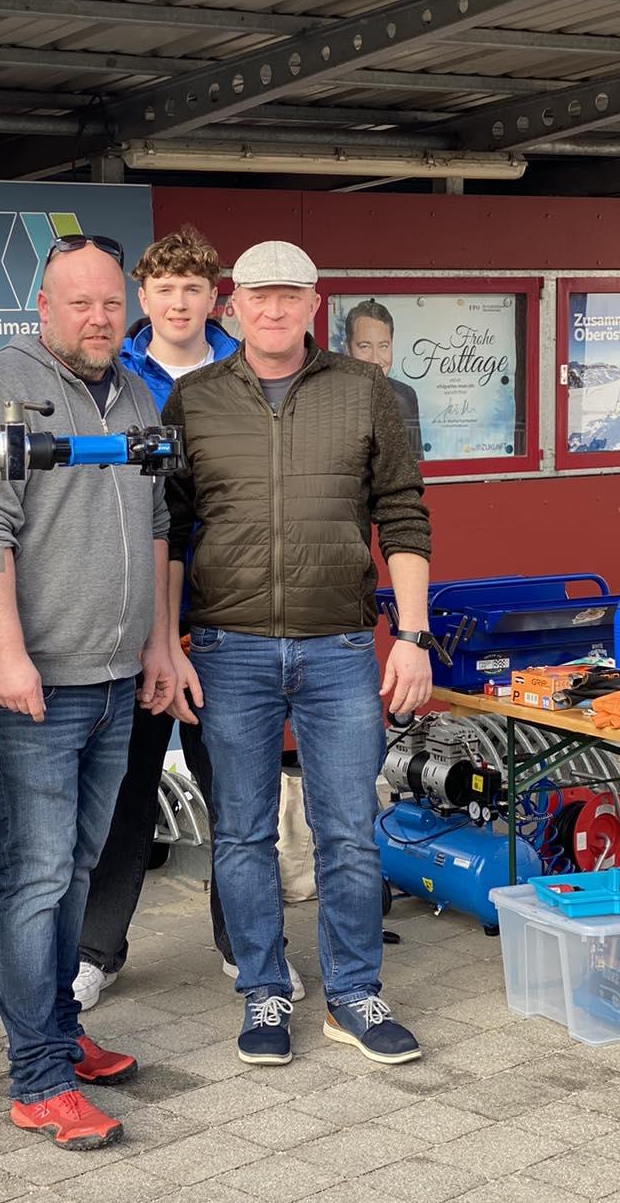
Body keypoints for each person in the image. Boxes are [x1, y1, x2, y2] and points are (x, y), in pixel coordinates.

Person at [162, 240, 432, 1069]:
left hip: (339, 646)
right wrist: (165, 643)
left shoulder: (364, 391)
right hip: (227, 648)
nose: (273, 309)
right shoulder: (194, 398)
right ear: (232, 305)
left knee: (348, 831)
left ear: (316, 303)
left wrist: (412, 637)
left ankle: (353, 994)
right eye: (258, 295)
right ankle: (264, 987)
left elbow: (404, 511)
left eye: (290, 295)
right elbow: (170, 528)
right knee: (242, 833)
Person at [0, 234, 175, 1151]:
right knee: (35, 874)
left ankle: (58, 1028)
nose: (98, 318)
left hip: (117, 676)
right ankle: (36, 1076)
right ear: (42, 308)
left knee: (76, 867)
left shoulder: (134, 393)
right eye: (79, 303)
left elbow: (157, 521)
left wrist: (158, 641)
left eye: (111, 303)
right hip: (36, 686)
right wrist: (7, 657)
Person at [74, 227, 305, 1010]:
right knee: (123, 788)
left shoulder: (252, 371)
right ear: (144, 297)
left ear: (217, 299)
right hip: (135, 605)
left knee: (238, 791)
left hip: (230, 610)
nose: (178, 302)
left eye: (194, 289)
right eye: (165, 289)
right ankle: (95, 951)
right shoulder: (112, 373)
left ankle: (249, 946)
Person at [344, 298, 423, 457]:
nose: (375, 359)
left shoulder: (406, 397)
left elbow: (416, 461)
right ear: (348, 349)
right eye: (365, 346)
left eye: (383, 346)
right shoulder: (329, 401)